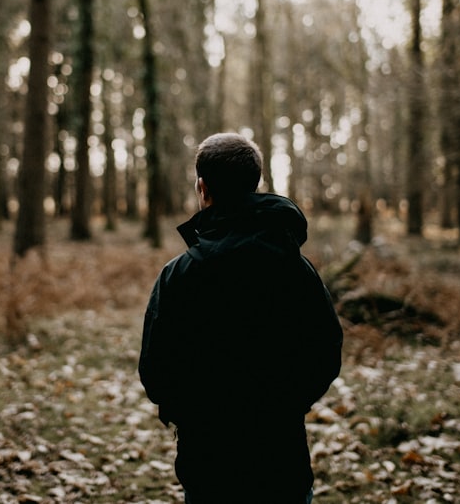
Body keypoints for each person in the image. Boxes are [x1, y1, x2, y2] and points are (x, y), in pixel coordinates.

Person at [139, 132, 344, 504]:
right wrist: (285, 405)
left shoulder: (178, 276)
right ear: (256, 184)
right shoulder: (296, 270)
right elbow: (326, 352)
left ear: (202, 188)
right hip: (282, 455)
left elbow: (156, 370)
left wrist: (195, 416)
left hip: (207, 460)